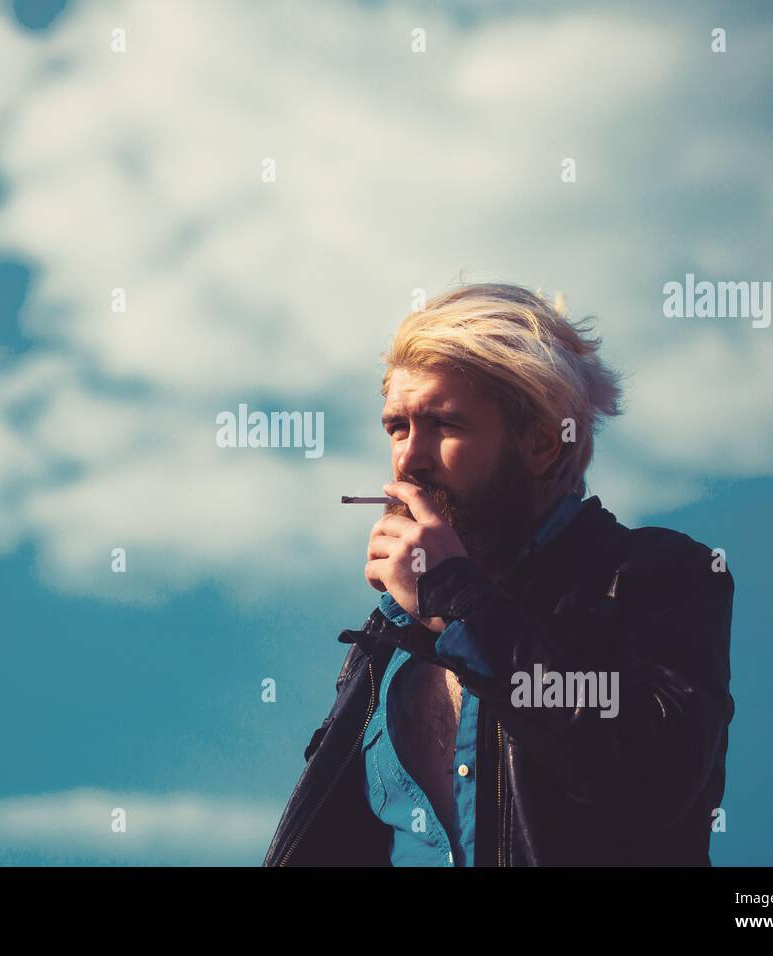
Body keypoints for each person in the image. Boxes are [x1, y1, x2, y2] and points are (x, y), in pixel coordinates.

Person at [263, 283, 735, 866]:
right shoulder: (384, 639)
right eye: (398, 428)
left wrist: (457, 600)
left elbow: (657, 773)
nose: (409, 458)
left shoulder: (651, 576)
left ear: (541, 442)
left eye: (443, 423)